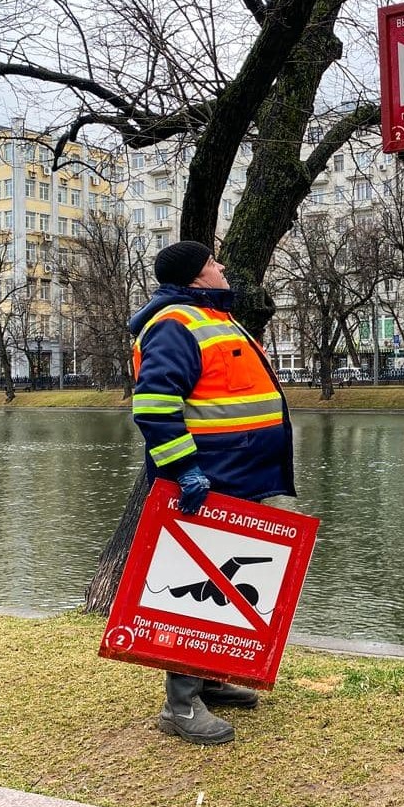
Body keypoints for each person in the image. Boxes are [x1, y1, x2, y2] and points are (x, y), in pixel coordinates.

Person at [128, 239, 296, 745]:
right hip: (209, 481)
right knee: (195, 591)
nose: (222, 266)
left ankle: (210, 678)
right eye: (213, 262)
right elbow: (155, 407)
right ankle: (180, 705)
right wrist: (186, 471)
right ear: (197, 276)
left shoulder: (213, 318)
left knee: (229, 583)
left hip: (240, 475)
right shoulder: (177, 324)